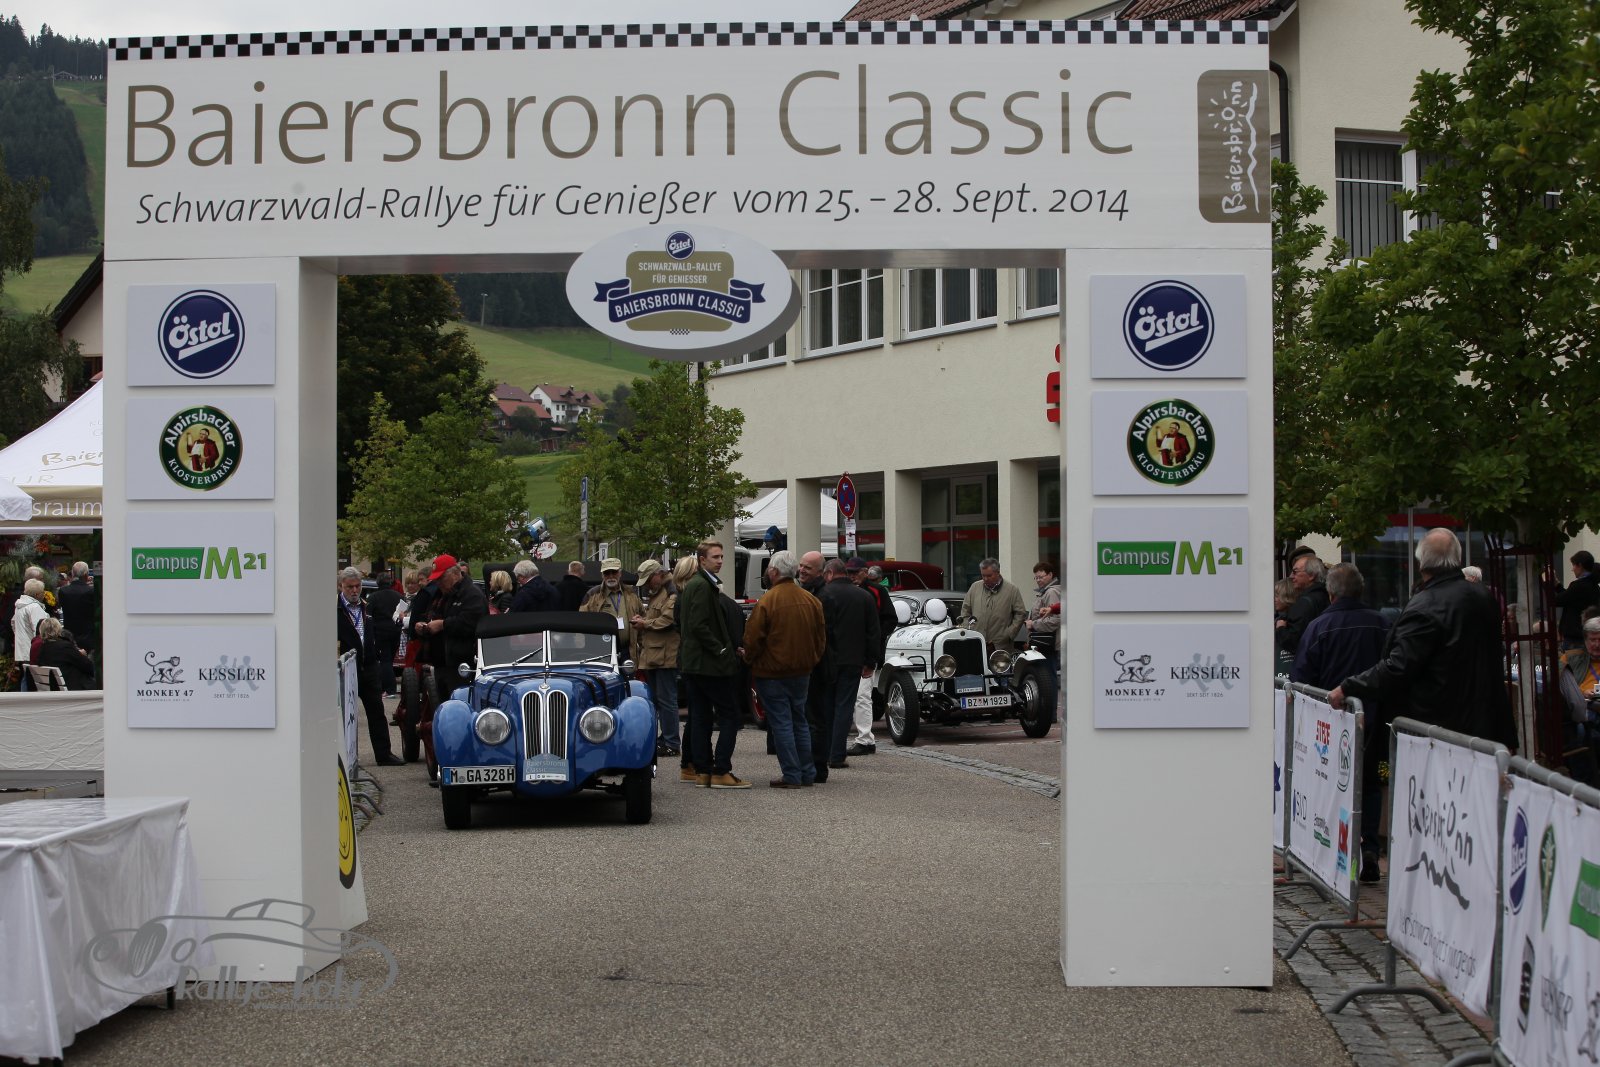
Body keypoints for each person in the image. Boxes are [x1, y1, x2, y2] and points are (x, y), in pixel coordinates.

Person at [1331, 528, 1517, 750]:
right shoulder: (1483, 597)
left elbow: (1399, 666)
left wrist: (1348, 687)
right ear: (1457, 559)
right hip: (1486, 728)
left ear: (1421, 563)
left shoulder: (1426, 605)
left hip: (1441, 732)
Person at [1293, 563, 1391, 883]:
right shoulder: (1382, 624)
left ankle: (1339, 853)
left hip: (1330, 723)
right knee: (1370, 784)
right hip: (1373, 718)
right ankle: (1370, 850)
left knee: (1333, 785)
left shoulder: (1319, 627)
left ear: (1331, 593)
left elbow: (1301, 678)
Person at [742, 550, 827, 788]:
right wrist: (811, 660)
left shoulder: (768, 601)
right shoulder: (811, 600)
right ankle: (807, 772)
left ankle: (791, 774)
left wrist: (749, 659)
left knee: (782, 723)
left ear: (774, 571)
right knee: (799, 720)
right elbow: (821, 638)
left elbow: (753, 639)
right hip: (802, 671)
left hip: (772, 672)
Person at [677, 540, 748, 789]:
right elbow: (698, 625)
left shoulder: (698, 584)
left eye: (721, 556)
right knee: (729, 715)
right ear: (702, 560)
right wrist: (721, 649)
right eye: (715, 557)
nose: (720, 561)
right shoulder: (701, 585)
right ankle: (720, 770)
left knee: (701, 716)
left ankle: (703, 771)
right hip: (706, 664)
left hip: (695, 663)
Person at [818, 558, 880, 773]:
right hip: (853, 660)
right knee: (844, 707)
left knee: (826, 707)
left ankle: (824, 752)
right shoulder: (864, 596)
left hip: (827, 661)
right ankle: (837, 754)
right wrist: (870, 661)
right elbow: (873, 632)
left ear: (829, 574)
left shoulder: (823, 595)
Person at [338, 567, 404, 766]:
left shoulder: (366, 607)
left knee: (376, 711)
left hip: (369, 666)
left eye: (357, 586)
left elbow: (375, 631)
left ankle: (384, 754)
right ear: (341, 586)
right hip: (346, 669)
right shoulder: (335, 609)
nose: (354, 590)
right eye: (350, 587)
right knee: (343, 715)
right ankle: (342, 756)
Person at [630, 559, 682, 757]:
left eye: (648, 580)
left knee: (667, 700)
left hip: (665, 655)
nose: (646, 586)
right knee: (659, 700)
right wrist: (644, 620)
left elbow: (668, 620)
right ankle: (665, 737)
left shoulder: (671, 591)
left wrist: (644, 623)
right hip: (654, 654)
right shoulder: (660, 591)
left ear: (657, 575)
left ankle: (671, 742)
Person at [411, 553, 488, 683]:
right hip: (442, 662)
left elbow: (472, 623)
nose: (438, 583)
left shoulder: (472, 594)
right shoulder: (441, 595)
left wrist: (443, 625)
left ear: (454, 574)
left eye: (441, 578)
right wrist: (424, 625)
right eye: (436, 579)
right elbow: (431, 615)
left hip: (462, 665)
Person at [1558, 616, 1600, 784]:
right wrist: (1582, 693)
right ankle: (1582, 782)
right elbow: (1559, 685)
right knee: (1580, 733)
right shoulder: (1571, 658)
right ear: (1585, 640)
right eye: (1593, 640)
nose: (1597, 644)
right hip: (1576, 712)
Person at [959, 557, 1026, 653]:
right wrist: (969, 629)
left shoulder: (1012, 590)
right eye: (983, 575)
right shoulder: (975, 587)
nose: (985, 579)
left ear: (998, 573)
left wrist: (1009, 634)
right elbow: (965, 610)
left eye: (989, 575)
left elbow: (1020, 613)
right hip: (976, 643)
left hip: (1001, 645)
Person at [580, 558, 643, 658]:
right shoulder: (592, 594)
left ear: (620, 573)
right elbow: (582, 621)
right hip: (601, 651)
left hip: (628, 650)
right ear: (602, 575)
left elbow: (643, 616)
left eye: (614, 572)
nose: (611, 576)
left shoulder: (631, 593)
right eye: (607, 573)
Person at [1276, 555, 1330, 657]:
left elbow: (1293, 642)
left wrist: (1280, 628)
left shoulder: (1303, 603)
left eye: (1295, 572)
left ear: (1311, 575)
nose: (1291, 576)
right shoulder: (1325, 597)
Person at [1548, 550, 1600, 652]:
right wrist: (1557, 585)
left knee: (1573, 661)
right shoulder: (1593, 585)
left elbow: (1557, 601)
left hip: (1574, 637)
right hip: (1585, 633)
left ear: (1580, 565)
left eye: (1573, 565)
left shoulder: (1578, 585)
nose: (1572, 569)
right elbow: (1569, 597)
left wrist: (1547, 584)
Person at [31, 617, 96, 691]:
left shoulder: (43, 648)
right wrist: (82, 655)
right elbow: (88, 667)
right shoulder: (64, 647)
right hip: (72, 688)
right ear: (58, 629)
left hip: (55, 687)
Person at [1024, 560, 1062, 684]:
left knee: (1048, 679)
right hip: (1044, 644)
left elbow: (1056, 620)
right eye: (1036, 577)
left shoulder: (1051, 592)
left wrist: (1033, 624)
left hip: (1049, 644)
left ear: (1050, 575)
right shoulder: (1044, 592)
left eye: (1041, 577)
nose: (1038, 580)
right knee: (1044, 678)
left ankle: (1050, 698)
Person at [366, 572, 402, 697]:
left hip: (380, 632)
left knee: (384, 660)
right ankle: (386, 687)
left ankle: (389, 689)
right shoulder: (399, 596)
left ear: (378, 583)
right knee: (389, 660)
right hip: (396, 631)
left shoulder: (373, 597)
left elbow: (368, 616)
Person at [10, 578, 49, 692]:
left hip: (22, 649)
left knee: (26, 677)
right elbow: (40, 630)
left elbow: (13, 623)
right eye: (42, 592)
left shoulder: (20, 606)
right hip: (32, 650)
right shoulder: (34, 607)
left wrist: (20, 637)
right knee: (29, 680)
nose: (44, 594)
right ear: (37, 594)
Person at [57, 561, 97, 658]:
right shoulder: (91, 591)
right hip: (88, 637)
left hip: (69, 636)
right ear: (86, 574)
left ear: (73, 574)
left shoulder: (63, 591)